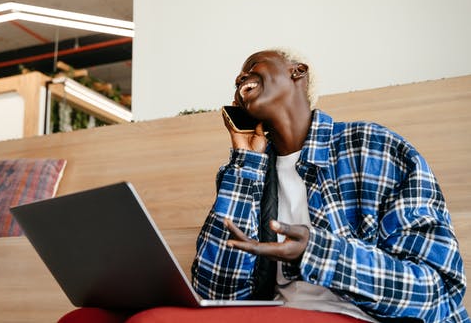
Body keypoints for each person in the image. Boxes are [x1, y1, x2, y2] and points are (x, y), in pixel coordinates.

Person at [191, 48, 469, 322]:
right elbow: (216, 295)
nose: (241, 77)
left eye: (253, 66)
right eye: (238, 77)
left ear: (297, 71)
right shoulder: (247, 170)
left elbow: (434, 294)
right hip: (283, 315)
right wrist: (245, 163)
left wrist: (316, 253)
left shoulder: (373, 147)